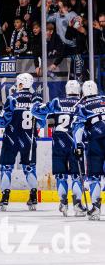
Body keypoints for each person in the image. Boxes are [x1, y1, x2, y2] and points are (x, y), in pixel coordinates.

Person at [31, 80, 86, 217]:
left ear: (66, 90)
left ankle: (63, 203)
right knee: (76, 176)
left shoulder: (57, 102)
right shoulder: (83, 104)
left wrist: (36, 101)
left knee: (61, 176)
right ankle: (78, 205)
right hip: (75, 143)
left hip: (59, 143)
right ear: (79, 90)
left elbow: (36, 111)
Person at [0, 73, 41, 211]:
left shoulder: (12, 99)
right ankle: (34, 197)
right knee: (29, 168)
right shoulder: (36, 100)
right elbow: (41, 123)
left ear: (19, 84)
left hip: (11, 139)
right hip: (29, 140)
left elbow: (3, 122)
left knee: (6, 169)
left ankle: (5, 198)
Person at [72, 80, 105, 220]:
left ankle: (96, 209)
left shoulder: (82, 105)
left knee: (94, 176)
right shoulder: (104, 99)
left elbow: (78, 128)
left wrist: (77, 145)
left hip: (95, 141)